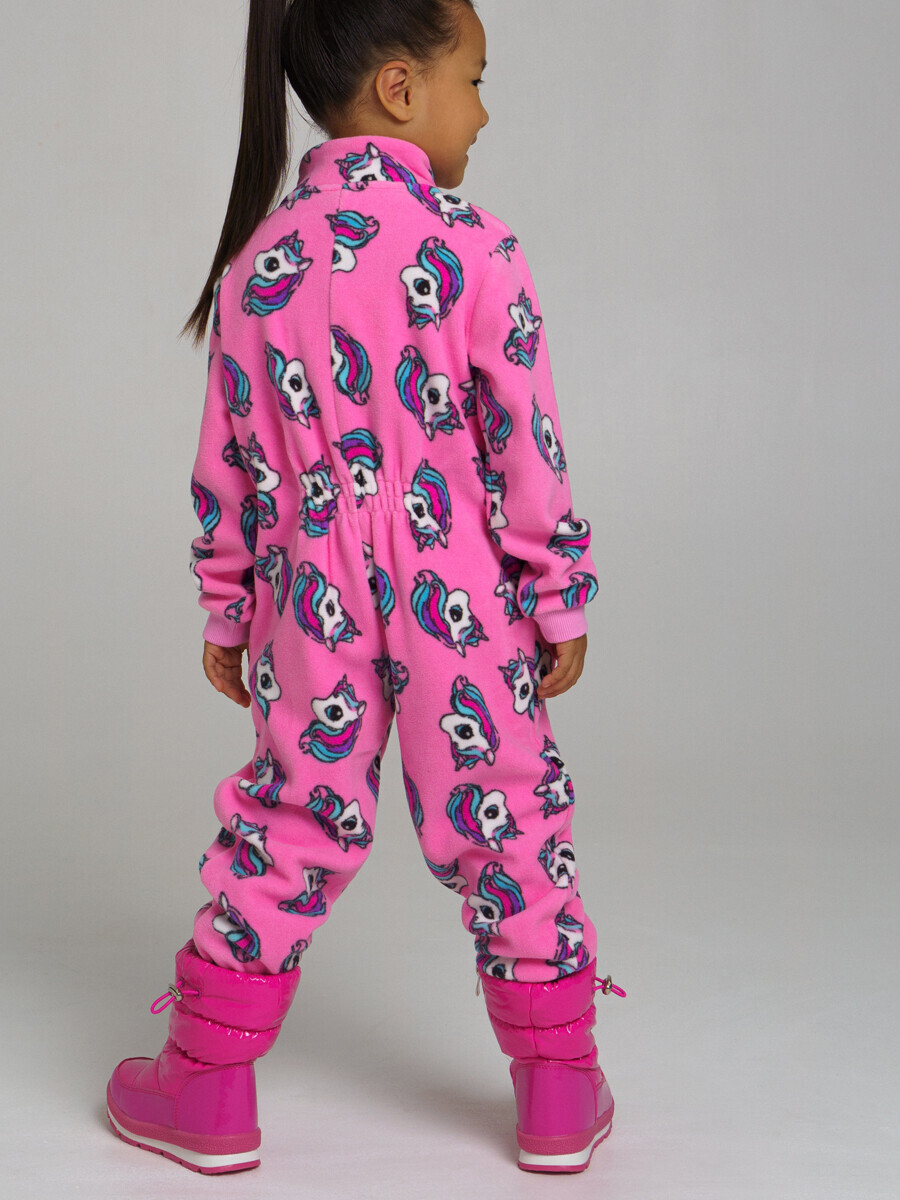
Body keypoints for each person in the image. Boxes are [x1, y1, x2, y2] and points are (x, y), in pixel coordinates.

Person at [105, 0, 625, 1178]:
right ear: (400, 88)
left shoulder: (258, 267)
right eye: (473, 80)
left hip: (312, 591)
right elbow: (525, 444)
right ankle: (556, 1089)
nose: (481, 112)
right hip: (459, 587)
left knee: (295, 811)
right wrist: (556, 591)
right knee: (506, 809)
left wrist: (231, 607)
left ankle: (206, 1083)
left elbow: (229, 463)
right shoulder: (478, 248)